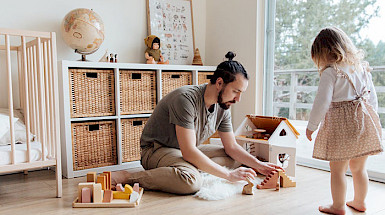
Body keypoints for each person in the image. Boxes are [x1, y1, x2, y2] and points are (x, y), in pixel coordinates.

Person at [112, 51, 282, 194]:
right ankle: (130, 177)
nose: (238, 99)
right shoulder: (185, 99)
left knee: (233, 159)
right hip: (157, 150)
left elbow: (232, 147)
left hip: (185, 150)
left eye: (241, 93)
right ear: (220, 83)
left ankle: (182, 171)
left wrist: (260, 166)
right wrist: (228, 176)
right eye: (236, 91)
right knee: (192, 181)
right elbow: (189, 151)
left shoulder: (223, 106)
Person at [306, 27, 383, 215]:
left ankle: (338, 206)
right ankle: (359, 201)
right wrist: (376, 122)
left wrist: (311, 126)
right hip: (364, 120)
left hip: (342, 125)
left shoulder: (331, 72)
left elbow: (321, 103)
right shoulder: (362, 68)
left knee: (337, 169)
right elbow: (372, 99)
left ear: (324, 53)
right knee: (358, 167)